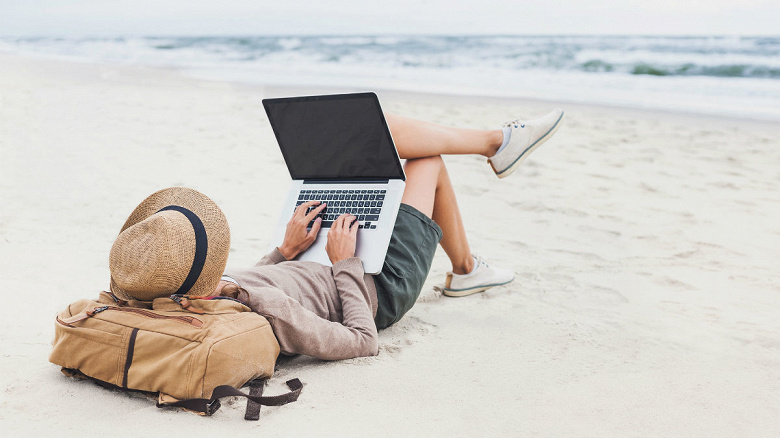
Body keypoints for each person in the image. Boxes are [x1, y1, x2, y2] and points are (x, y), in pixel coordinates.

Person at [108, 107, 564, 362]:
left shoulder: (186, 296)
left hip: (313, 259)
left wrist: (283, 251)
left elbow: (255, 282)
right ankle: (493, 151)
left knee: (376, 135)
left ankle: (467, 263)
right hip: (376, 287)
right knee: (424, 161)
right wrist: (346, 262)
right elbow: (362, 340)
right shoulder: (266, 309)